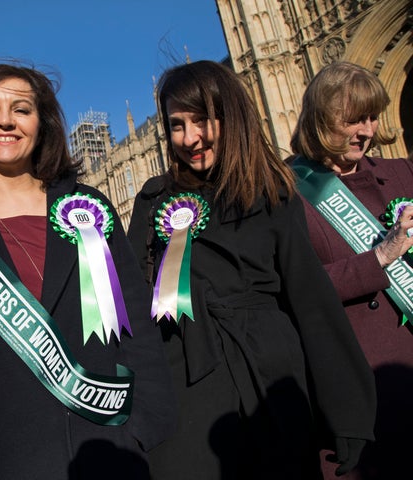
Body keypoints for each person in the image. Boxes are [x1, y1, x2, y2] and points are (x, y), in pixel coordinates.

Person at [0, 62, 176, 480]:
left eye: (21, 109)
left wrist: (143, 428)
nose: (5, 120)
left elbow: (137, 327)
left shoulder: (88, 209)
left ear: (42, 124)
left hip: (104, 446)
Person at [127, 60, 376, 480]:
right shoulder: (155, 202)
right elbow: (130, 304)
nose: (190, 138)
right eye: (176, 125)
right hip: (186, 383)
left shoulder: (274, 193)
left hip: (271, 381)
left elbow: (311, 301)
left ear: (230, 116)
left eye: (202, 120)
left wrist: (347, 408)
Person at [288, 61, 413, 480]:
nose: (369, 131)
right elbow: (294, 287)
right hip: (363, 394)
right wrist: (378, 258)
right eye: (354, 119)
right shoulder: (287, 193)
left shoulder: (401, 173)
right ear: (321, 118)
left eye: (373, 117)